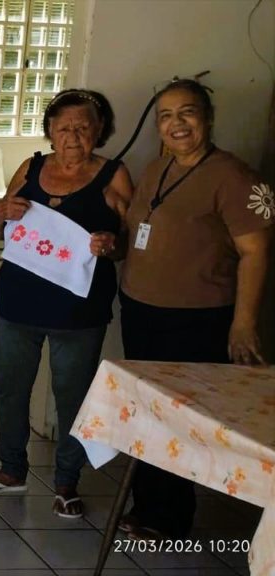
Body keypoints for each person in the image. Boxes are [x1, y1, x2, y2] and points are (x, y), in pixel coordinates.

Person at [115, 79, 272, 540]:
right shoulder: (158, 167)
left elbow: (256, 252)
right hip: (142, 309)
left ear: (207, 118)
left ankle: (169, 516)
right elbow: (143, 224)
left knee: (180, 417)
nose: (176, 123)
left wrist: (243, 323)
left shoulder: (234, 177)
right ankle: (148, 505)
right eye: (165, 116)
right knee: (148, 409)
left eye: (187, 112)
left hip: (196, 318)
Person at [0, 89, 133, 519]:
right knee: (10, 389)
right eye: (63, 128)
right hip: (18, 303)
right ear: (50, 130)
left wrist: (111, 245)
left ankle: (67, 481)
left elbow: (131, 242)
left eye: (83, 127)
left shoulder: (115, 176)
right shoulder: (32, 167)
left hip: (77, 312)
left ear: (100, 130)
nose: (72, 136)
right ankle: (11, 469)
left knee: (72, 397)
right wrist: (1, 212)